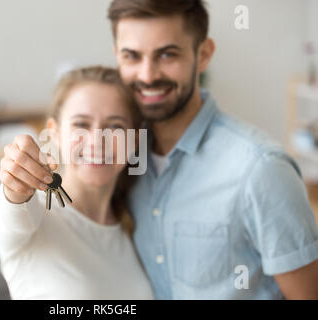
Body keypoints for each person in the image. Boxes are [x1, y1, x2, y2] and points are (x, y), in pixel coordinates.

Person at [108, 0, 318, 299]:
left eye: (167, 55)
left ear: (204, 54)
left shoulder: (261, 170)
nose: (148, 75)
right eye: (132, 56)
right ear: (117, 57)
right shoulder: (122, 157)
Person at [0, 66, 154, 299]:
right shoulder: (36, 212)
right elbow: (12, 213)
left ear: (135, 140)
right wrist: (16, 185)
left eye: (115, 126)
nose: (97, 142)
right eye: (81, 125)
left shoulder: (135, 227)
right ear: (55, 134)